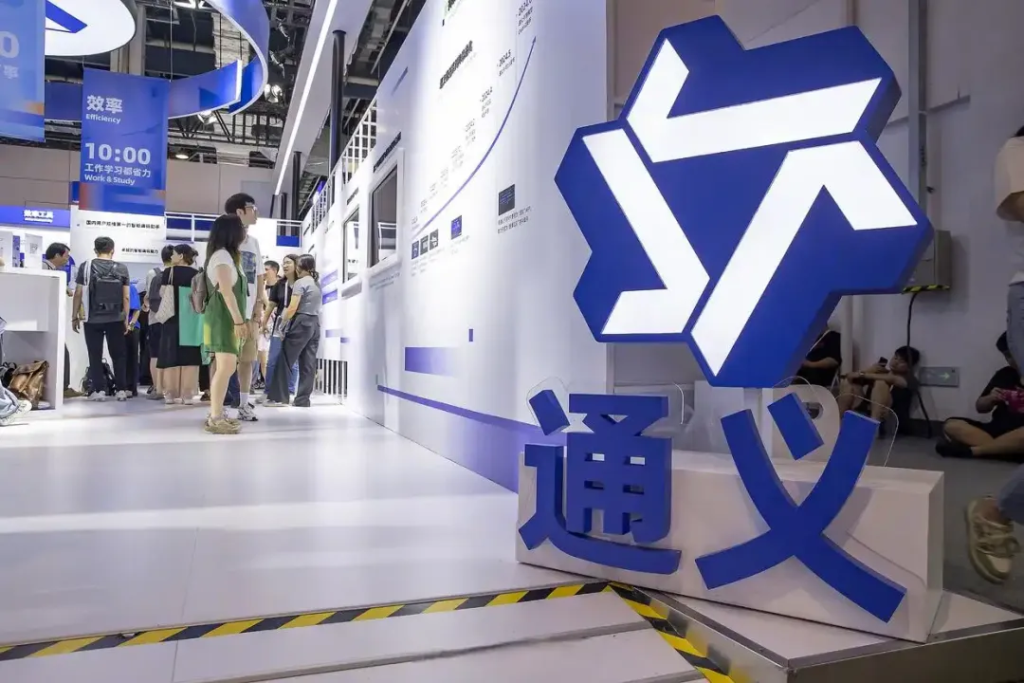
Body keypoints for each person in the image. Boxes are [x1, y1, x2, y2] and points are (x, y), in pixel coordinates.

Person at [939, 333, 1024, 461]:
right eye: (1007, 355)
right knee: (951, 425)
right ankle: (1007, 450)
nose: (1011, 359)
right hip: (996, 430)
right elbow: (980, 407)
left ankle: (975, 451)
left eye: (1014, 354)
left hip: (1020, 432)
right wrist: (990, 398)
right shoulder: (1004, 374)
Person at [203, 214, 249, 434]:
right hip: (223, 318)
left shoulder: (227, 256)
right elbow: (225, 290)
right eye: (241, 228)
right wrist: (238, 321)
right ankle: (215, 417)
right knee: (226, 367)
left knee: (226, 367)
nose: (245, 231)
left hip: (225, 317)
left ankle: (217, 413)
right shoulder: (221, 256)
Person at [72, 236, 131, 402]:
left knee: (94, 354)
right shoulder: (122, 268)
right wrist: (125, 318)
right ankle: (121, 390)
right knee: (118, 354)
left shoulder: (86, 266)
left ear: (95, 250)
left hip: (92, 318)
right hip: (116, 318)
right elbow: (126, 297)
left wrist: (74, 316)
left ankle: (98, 391)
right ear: (112, 250)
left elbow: (78, 293)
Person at [224, 193, 266, 422]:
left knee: (248, 358)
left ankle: (243, 404)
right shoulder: (222, 240)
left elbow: (259, 275)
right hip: (226, 310)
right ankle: (218, 405)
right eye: (252, 208)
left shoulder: (254, 243)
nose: (256, 212)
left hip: (249, 311)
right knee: (223, 359)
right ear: (240, 211)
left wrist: (259, 303)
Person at [267, 254, 321, 408]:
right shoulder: (316, 283)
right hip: (315, 324)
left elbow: (292, 308)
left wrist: (282, 323)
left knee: (284, 359)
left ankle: (279, 398)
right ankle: (302, 400)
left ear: (299, 267)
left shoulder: (300, 283)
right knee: (308, 364)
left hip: (301, 322)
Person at [157, 245, 202, 405]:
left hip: (171, 318)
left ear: (181, 256)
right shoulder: (197, 274)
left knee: (171, 355)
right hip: (190, 318)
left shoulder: (169, 272)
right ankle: (188, 394)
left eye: (174, 254)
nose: (172, 257)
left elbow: (162, 293)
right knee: (190, 356)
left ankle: (170, 394)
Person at [836, 346, 920, 424]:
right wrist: (869, 370)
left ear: (909, 367)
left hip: (890, 417)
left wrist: (864, 374)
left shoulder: (908, 380)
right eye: (895, 358)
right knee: (848, 384)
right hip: (868, 409)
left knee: (881, 383)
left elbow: (893, 379)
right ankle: (838, 421)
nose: (895, 362)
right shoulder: (881, 373)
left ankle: (874, 425)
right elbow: (850, 377)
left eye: (901, 361)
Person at [42, 243, 82, 399]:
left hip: (49, 321)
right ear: (57, 255)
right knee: (62, 353)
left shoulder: (53, 271)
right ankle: (62, 388)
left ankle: (61, 387)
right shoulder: (43, 268)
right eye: (66, 256)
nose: (67, 260)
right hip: (45, 321)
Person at [262, 254, 299, 399]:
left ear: (297, 264)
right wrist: (264, 323)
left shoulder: (301, 283)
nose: (285, 265)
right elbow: (270, 306)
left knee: (293, 361)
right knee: (272, 360)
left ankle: (290, 391)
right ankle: (268, 392)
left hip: (295, 324)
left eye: (289, 262)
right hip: (280, 325)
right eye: (284, 263)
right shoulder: (280, 285)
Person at [144, 246, 175, 400]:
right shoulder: (177, 274)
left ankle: (157, 389)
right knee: (171, 354)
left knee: (155, 354)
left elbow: (148, 297)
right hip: (173, 319)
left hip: (155, 318)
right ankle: (171, 389)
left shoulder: (153, 273)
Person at [123, 279, 142, 397]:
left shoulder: (131, 288)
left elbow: (137, 310)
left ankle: (131, 386)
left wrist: (131, 325)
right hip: (118, 326)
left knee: (131, 357)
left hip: (132, 327)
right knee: (121, 357)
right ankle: (122, 385)